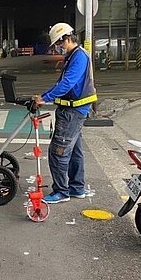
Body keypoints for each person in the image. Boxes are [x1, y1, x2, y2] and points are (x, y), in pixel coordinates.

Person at [32, 23, 97, 204]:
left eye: (60, 44)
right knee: (75, 152)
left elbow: (67, 83)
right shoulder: (74, 56)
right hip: (73, 109)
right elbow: (64, 84)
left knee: (58, 152)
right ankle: (77, 188)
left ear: (67, 38)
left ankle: (61, 191)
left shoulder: (79, 57)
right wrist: (46, 96)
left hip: (73, 111)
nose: (59, 48)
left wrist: (44, 98)